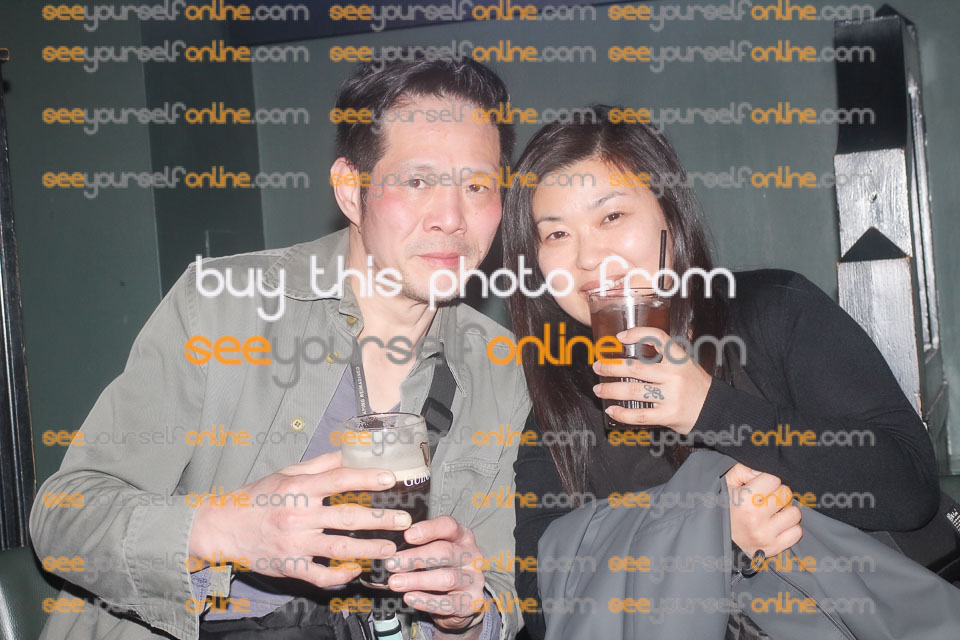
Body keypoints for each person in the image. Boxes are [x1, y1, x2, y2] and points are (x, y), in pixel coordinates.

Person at [30, 58, 531, 640]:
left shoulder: (498, 364)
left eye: (477, 186)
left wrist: (466, 611)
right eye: (418, 182)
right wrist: (227, 529)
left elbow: (497, 592)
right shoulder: (223, 306)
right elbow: (63, 518)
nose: (451, 218)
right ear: (351, 191)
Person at [502, 106, 941, 637]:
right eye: (556, 235)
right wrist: (712, 537)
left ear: (669, 214)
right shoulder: (558, 401)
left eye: (611, 217)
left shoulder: (772, 311)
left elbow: (909, 488)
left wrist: (709, 408)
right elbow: (539, 598)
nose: (589, 257)